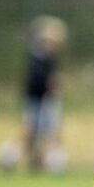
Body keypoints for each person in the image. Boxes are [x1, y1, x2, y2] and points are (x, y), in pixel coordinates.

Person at [20, 15, 67, 172]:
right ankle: (28, 160)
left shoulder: (51, 59)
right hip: (36, 101)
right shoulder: (37, 58)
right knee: (30, 133)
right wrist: (50, 84)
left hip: (48, 102)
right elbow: (35, 81)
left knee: (50, 133)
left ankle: (43, 162)